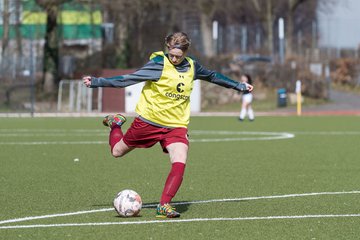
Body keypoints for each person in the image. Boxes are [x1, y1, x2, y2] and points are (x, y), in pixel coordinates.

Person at [83, 32, 253, 218]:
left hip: (176, 125)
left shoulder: (192, 66)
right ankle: (116, 123)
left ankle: (164, 205)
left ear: (186, 52)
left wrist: (238, 85)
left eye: (178, 56)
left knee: (180, 159)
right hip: (149, 122)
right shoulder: (158, 65)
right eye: (171, 54)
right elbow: (128, 79)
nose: (173, 59)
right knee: (117, 151)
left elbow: (212, 76)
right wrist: (97, 82)